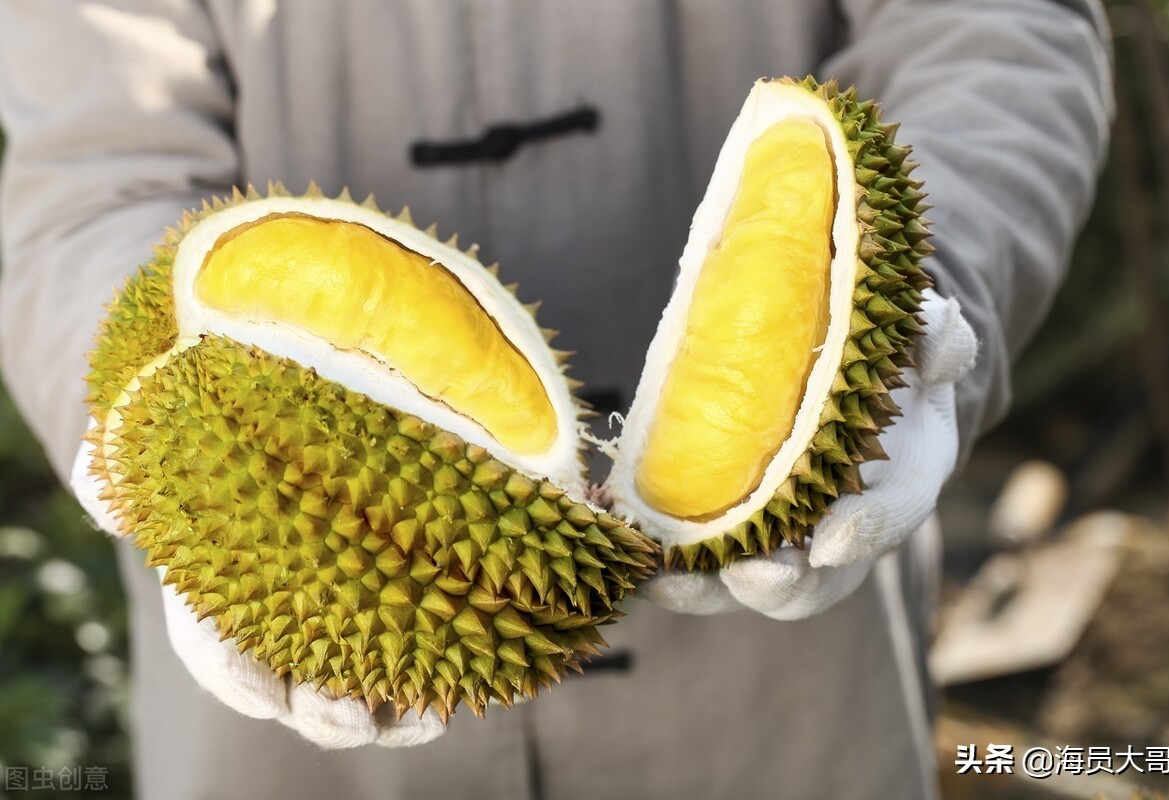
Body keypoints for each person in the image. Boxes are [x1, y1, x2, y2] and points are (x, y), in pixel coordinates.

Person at [0, 2, 1113, 798]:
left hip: (783, 688)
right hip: (297, 750)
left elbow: (996, 28)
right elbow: (91, 176)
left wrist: (930, 301)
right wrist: (133, 434)